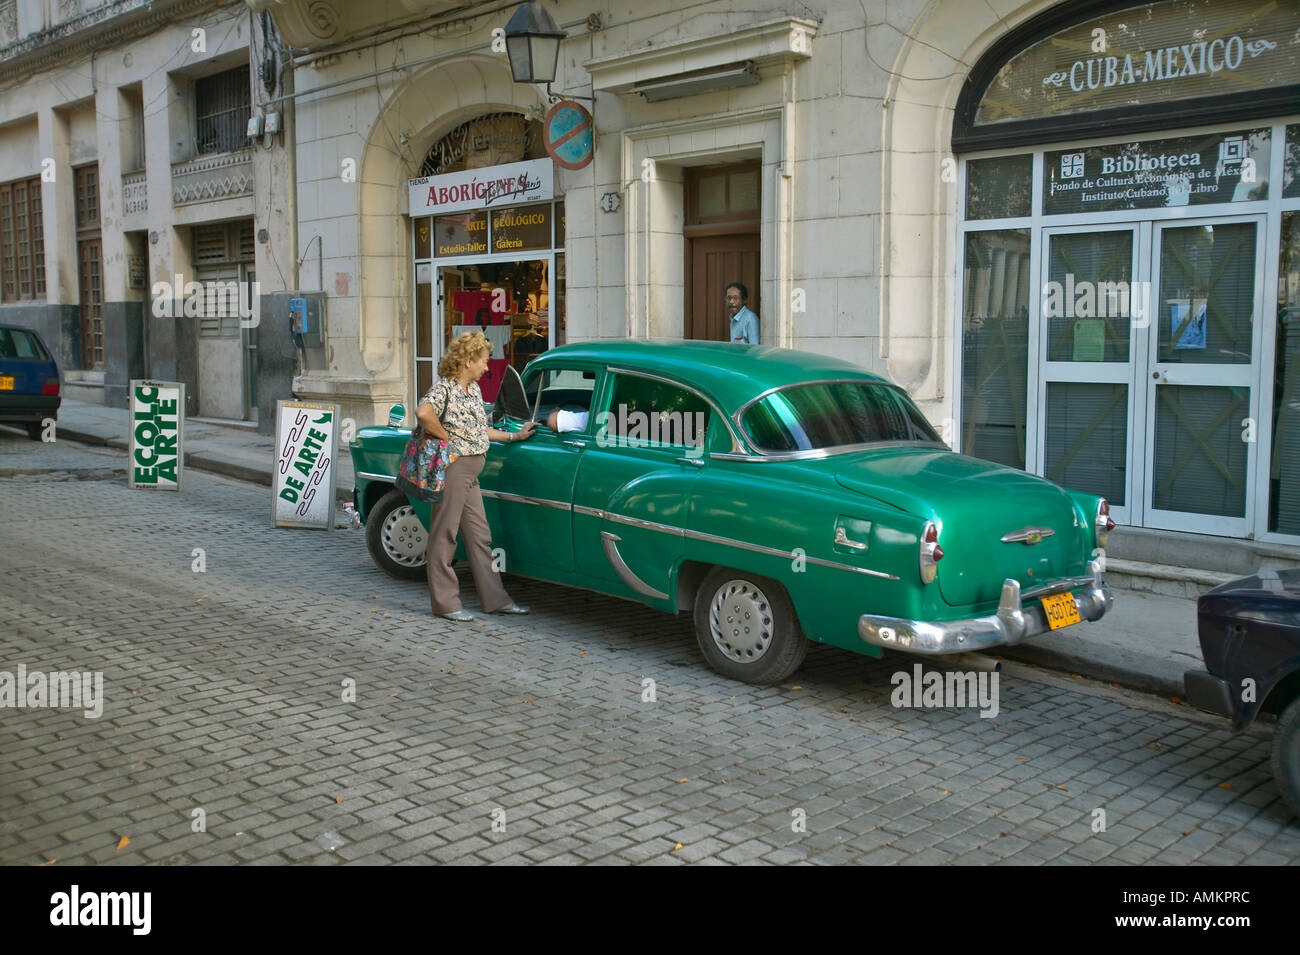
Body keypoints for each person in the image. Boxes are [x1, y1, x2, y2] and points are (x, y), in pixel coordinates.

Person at [418, 331, 537, 622]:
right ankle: (445, 604)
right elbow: (423, 413)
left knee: (480, 537)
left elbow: (480, 431)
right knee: (445, 534)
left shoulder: (473, 390)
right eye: (483, 361)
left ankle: (495, 600)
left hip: (471, 472)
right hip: (455, 469)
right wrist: (448, 439)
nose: (486, 367)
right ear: (468, 360)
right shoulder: (444, 388)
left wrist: (513, 436)